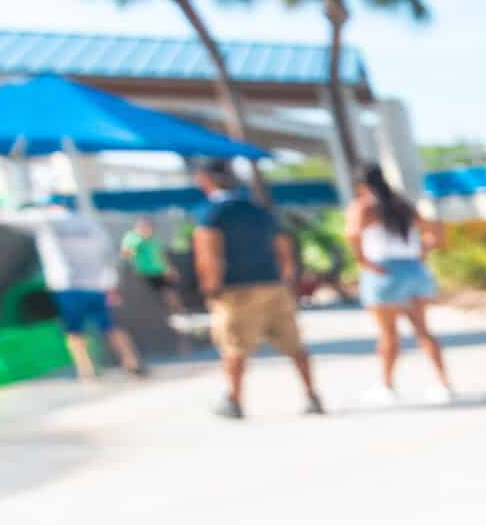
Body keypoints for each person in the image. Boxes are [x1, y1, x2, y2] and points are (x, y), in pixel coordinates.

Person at [191, 157, 323, 420]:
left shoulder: (211, 213)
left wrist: (210, 288)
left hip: (236, 289)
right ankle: (312, 395)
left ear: (206, 179)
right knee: (294, 345)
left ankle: (235, 400)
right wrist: (286, 280)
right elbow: (284, 248)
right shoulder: (258, 209)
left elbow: (209, 254)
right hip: (273, 285)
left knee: (234, 347)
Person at [0, 199, 145, 380]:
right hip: (96, 285)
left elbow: (1, 218)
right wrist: (111, 283)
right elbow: (109, 255)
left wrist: (15, 203)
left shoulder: (47, 219)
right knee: (109, 326)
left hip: (67, 285)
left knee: (74, 331)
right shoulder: (89, 223)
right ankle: (131, 361)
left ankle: (86, 370)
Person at [347, 164, 454, 405]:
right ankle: (443, 383)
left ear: (360, 185)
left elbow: (352, 235)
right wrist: (422, 251)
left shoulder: (363, 207)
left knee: (388, 334)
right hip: (414, 270)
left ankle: (386, 386)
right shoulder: (401, 204)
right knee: (423, 331)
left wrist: (363, 261)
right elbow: (437, 230)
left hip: (384, 271)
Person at [121, 215, 173, 305]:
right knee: (147, 298)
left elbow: (160, 254)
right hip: (142, 273)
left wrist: (167, 268)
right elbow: (126, 253)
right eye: (143, 226)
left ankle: (174, 312)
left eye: (149, 226)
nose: (147, 229)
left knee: (168, 293)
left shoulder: (153, 239)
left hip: (158, 272)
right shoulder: (132, 237)